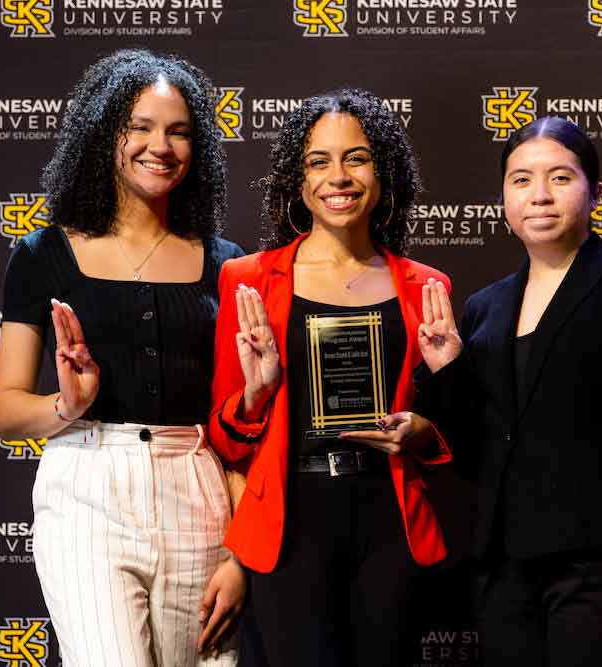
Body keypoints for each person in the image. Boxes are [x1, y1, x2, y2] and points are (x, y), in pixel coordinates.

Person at [0, 49, 245, 667]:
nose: (161, 145)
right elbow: (4, 410)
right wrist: (67, 404)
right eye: (141, 127)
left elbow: (241, 423)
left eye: (179, 131)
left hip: (198, 485)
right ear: (107, 135)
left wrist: (241, 553)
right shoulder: (41, 254)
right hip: (87, 488)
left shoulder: (227, 262)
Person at [416, 116, 602, 666]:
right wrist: (447, 370)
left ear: (596, 194)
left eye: (560, 177)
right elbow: (475, 450)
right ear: (503, 201)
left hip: (599, 571)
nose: (539, 195)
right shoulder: (485, 309)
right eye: (521, 180)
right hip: (503, 570)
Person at [209, 88, 452, 667]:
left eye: (357, 158)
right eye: (318, 161)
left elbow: (451, 421)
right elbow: (223, 435)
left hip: (389, 519)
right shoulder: (247, 281)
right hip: (291, 521)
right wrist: (258, 393)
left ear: (382, 172)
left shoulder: (426, 285)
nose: (338, 177)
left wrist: (420, 431)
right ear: (297, 181)